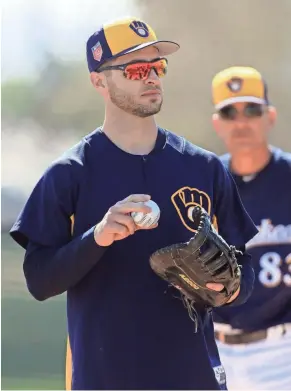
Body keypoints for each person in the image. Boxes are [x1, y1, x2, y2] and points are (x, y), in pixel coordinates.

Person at [10, 18, 257, 390]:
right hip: (106, 378)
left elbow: (243, 264)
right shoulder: (69, 174)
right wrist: (98, 237)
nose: (151, 77)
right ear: (99, 81)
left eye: (158, 66)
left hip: (194, 377)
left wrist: (232, 289)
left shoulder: (204, 167)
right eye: (136, 68)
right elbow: (39, 281)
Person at [211, 66, 291, 390]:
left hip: (284, 351)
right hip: (215, 352)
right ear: (217, 123)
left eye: (252, 110)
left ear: (270, 116)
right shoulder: (205, 184)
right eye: (229, 112)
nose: (241, 122)